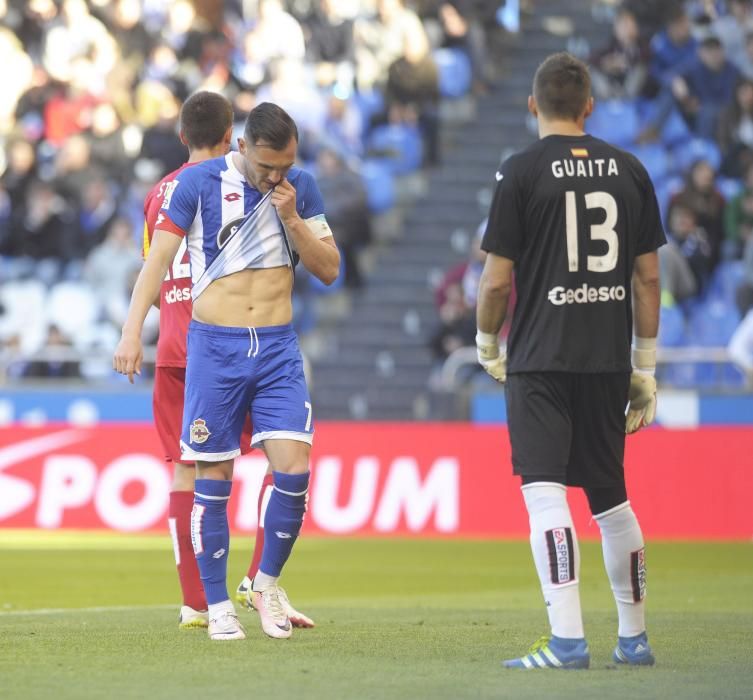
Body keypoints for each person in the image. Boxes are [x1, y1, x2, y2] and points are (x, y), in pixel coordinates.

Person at [115, 101, 339, 642]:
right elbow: (158, 262)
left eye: (284, 164)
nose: (275, 175)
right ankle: (215, 604)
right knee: (211, 477)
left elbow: (330, 269)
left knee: (295, 468)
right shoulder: (198, 186)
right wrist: (130, 331)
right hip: (213, 349)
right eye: (266, 165)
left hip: (279, 348)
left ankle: (263, 583)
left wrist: (290, 217)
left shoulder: (300, 188)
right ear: (240, 147)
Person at [475, 52, 664, 669]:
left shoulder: (521, 172)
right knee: (611, 499)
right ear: (589, 106)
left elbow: (496, 282)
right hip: (607, 360)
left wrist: (486, 344)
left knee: (545, 494)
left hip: (540, 360)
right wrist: (646, 365)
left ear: (533, 104)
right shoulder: (631, 170)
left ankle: (567, 642)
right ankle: (633, 640)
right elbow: (648, 279)